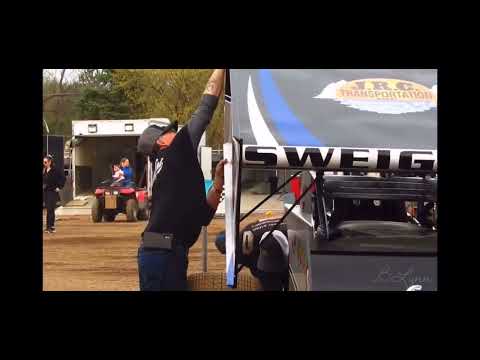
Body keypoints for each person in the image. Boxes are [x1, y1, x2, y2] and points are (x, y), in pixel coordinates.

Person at [136, 69, 226, 291]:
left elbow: (203, 215)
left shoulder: (168, 173)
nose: (177, 133)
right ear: (162, 142)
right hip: (164, 252)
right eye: (170, 132)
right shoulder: (176, 151)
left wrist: (217, 184)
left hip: (162, 251)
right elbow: (205, 109)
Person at [215, 217, 290, 291]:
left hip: (288, 242)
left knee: (267, 278)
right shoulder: (247, 229)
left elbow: (260, 270)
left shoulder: (242, 246)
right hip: (290, 228)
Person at [43, 154, 66, 233]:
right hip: (46, 192)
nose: (44, 163)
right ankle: (48, 227)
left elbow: (63, 178)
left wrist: (59, 187)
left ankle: (51, 227)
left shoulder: (55, 170)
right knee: (48, 209)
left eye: (45, 162)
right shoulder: (44, 170)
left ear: (50, 162)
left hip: (52, 192)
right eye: (44, 162)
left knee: (50, 209)